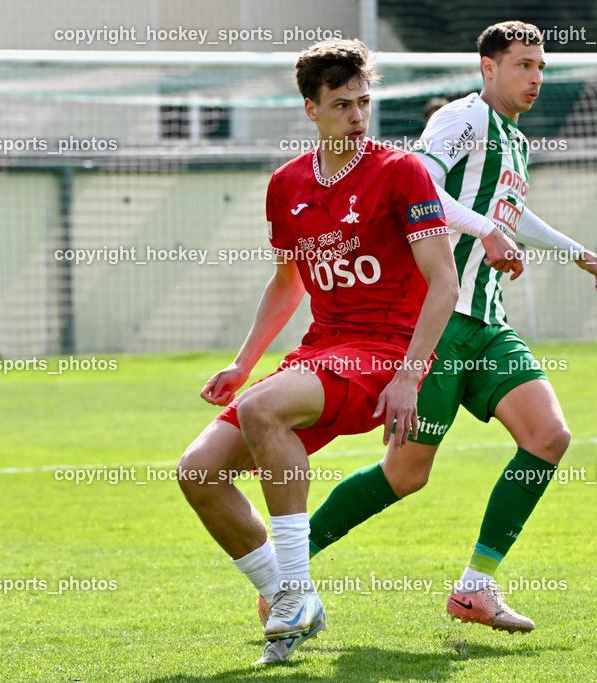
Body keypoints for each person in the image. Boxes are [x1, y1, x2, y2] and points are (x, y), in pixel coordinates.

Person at [302, 21, 597, 633]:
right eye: (522, 65)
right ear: (488, 67)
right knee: (405, 475)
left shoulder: (516, 140)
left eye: (540, 68)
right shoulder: (463, 119)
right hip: (438, 320)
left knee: (548, 437)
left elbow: (508, 210)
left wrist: (576, 250)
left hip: (488, 323)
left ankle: (476, 588)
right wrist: (483, 231)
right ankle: (289, 569)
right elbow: (418, 184)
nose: (534, 78)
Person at [176, 38, 475, 665]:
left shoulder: (402, 172)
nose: (358, 116)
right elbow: (287, 283)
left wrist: (410, 377)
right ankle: (292, 596)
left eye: (364, 102)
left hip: (386, 353)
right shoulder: (286, 185)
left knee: (263, 413)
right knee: (198, 473)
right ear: (310, 108)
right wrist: (243, 362)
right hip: (322, 352)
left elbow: (444, 282)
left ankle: (293, 594)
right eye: (342, 105)